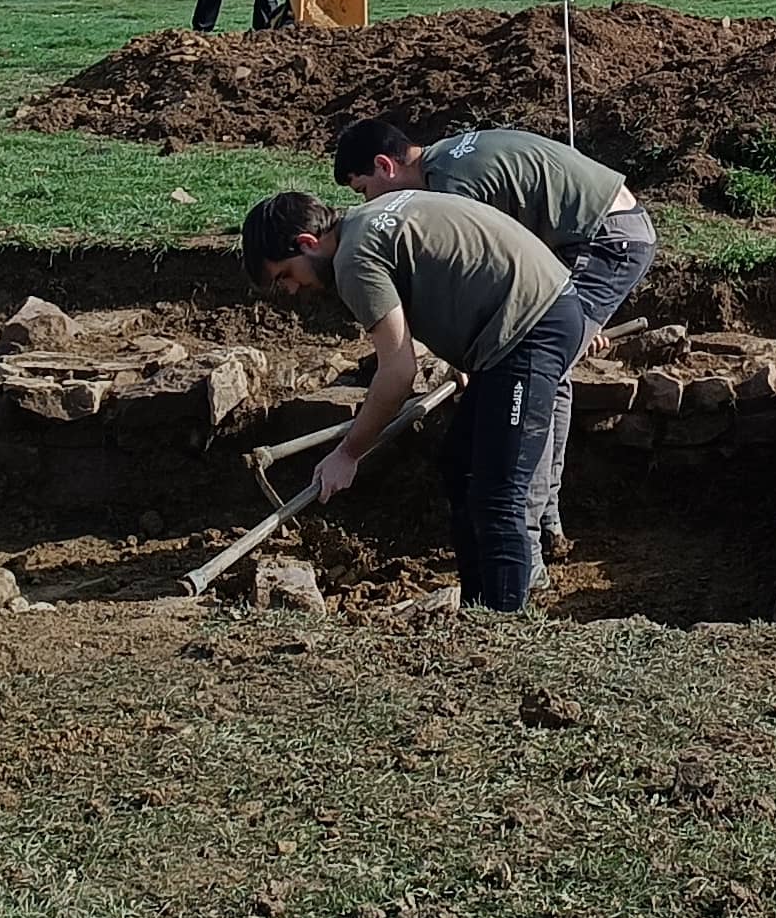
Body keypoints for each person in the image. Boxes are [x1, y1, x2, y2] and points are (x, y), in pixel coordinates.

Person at [242, 186, 589, 611]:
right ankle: (480, 609)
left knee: (498, 494)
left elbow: (398, 371)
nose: (293, 290)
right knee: (459, 464)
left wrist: (349, 453)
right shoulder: (368, 218)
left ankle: (504, 625)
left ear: (307, 243)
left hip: (530, 328)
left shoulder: (354, 260)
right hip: (516, 327)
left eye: (286, 276)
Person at [329, 116, 656, 567]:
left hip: (604, 239)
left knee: (541, 373)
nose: (367, 204)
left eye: (363, 190)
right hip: (589, 235)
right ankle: (543, 526)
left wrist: (564, 323)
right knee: (544, 366)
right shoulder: (445, 160)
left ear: (385, 166)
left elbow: (506, 260)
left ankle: (532, 540)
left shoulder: (450, 186)